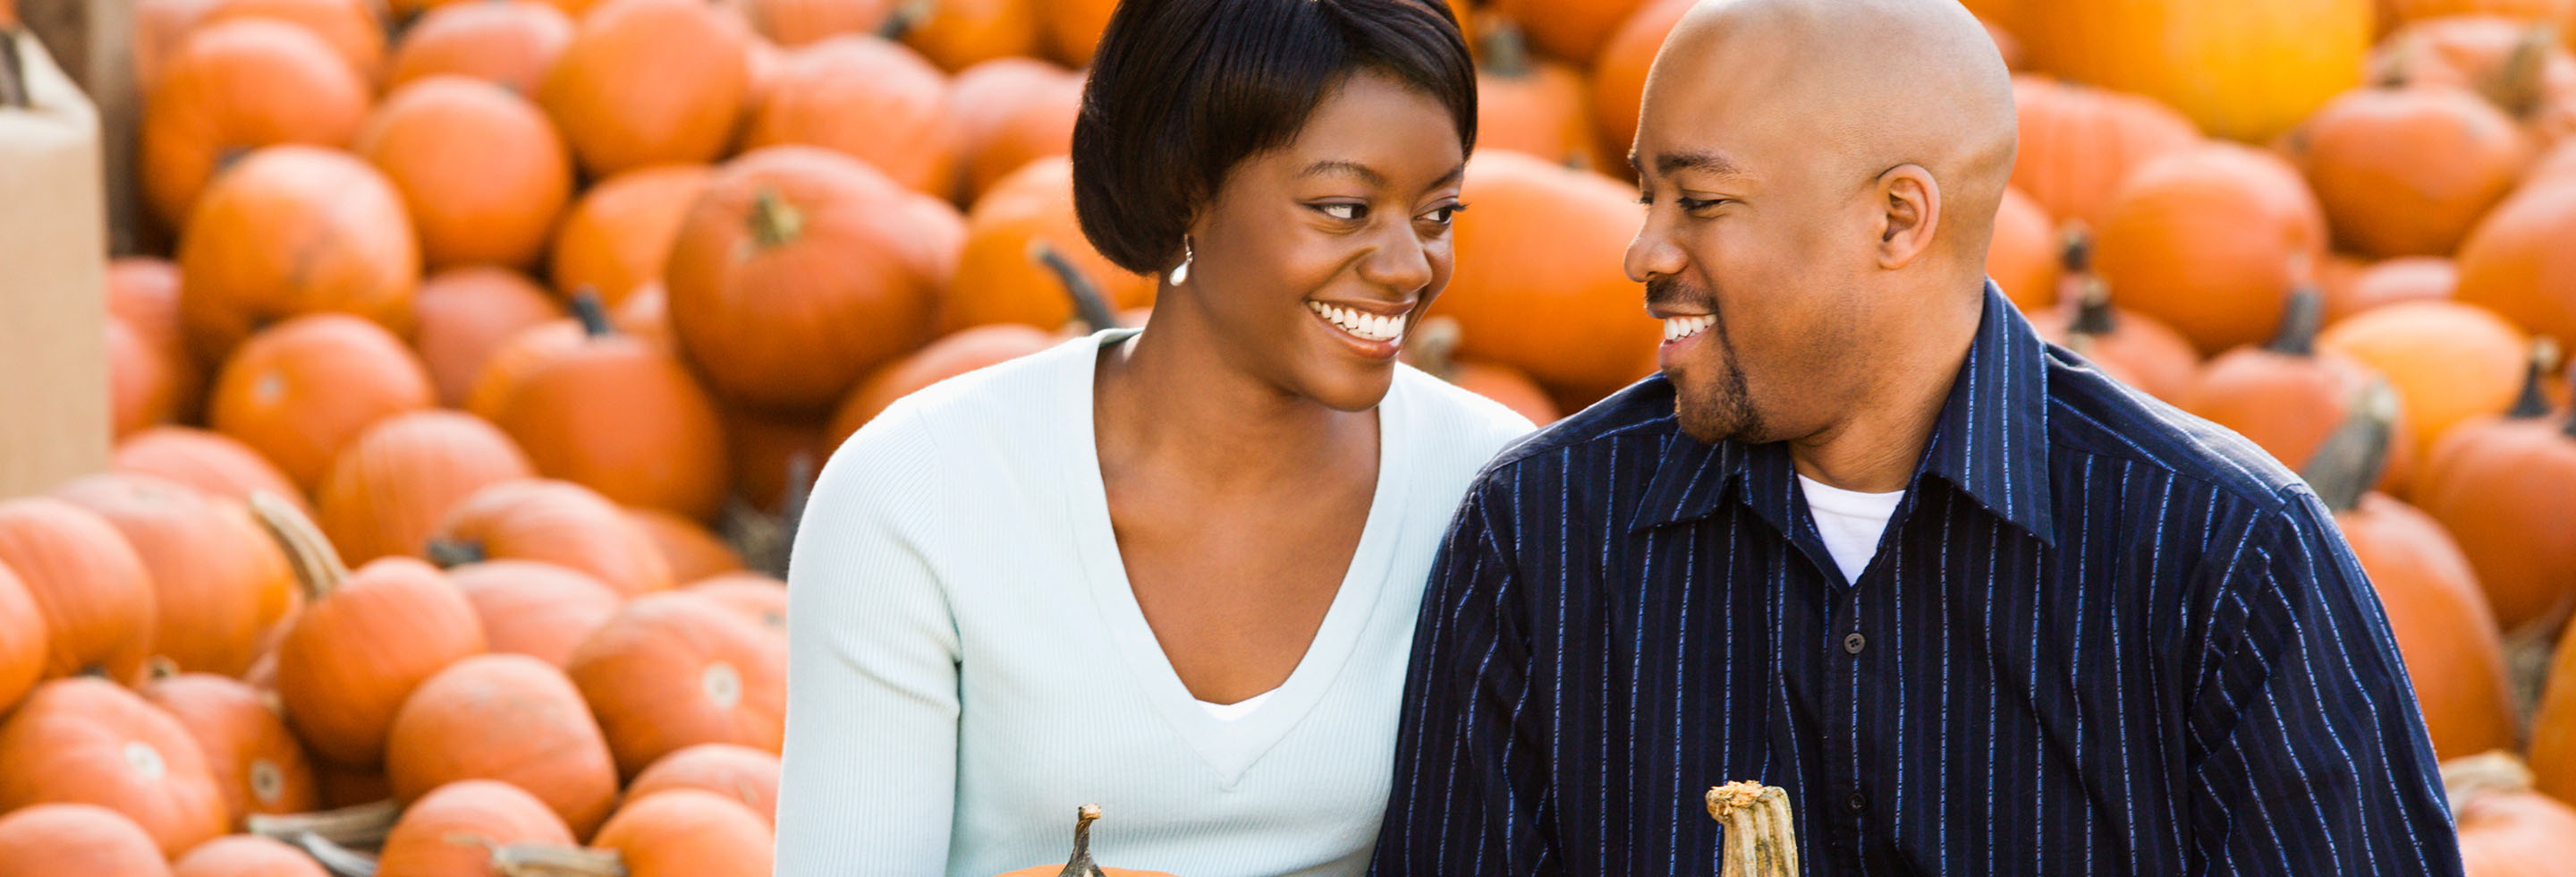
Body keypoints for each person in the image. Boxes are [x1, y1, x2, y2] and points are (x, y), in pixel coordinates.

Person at [1369, 0, 2464, 873]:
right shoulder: (1541, 531)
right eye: (1644, 193)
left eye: (1699, 201)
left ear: (1898, 217)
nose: (1642, 250)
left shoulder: (2227, 557)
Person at [773, 1, 1530, 874]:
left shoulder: (1497, 492)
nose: (1408, 266)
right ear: (1185, 191)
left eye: (1437, 214)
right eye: (1343, 207)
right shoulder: (916, 492)